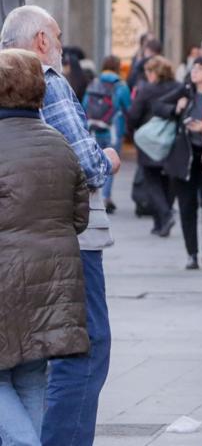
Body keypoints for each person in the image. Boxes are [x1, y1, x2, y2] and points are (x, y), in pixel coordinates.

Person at [0, 5, 122, 446]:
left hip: (20, 250)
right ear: (40, 41)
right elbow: (86, 170)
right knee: (82, 349)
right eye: (56, 34)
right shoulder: (48, 82)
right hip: (62, 248)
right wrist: (107, 157)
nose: (59, 46)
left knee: (26, 363)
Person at [0, 49, 91, 446]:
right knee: (32, 378)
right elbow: (80, 218)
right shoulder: (59, 143)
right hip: (52, 284)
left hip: (4, 279)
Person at [160, 55, 202, 269]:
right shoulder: (185, 91)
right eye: (194, 68)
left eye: (201, 69)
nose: (195, 72)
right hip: (184, 157)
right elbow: (158, 105)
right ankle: (192, 253)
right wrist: (176, 109)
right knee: (186, 206)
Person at [127, 55, 184, 238]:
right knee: (167, 182)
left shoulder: (146, 90)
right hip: (172, 140)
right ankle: (160, 222)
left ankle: (165, 216)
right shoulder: (178, 88)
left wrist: (133, 133)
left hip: (149, 141)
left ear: (154, 72)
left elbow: (134, 115)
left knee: (151, 181)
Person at [84, 55, 132, 215]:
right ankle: (105, 196)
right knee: (111, 162)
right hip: (113, 129)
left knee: (96, 160)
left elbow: (84, 105)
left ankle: (96, 195)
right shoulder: (121, 86)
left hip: (94, 128)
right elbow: (128, 107)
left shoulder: (94, 82)